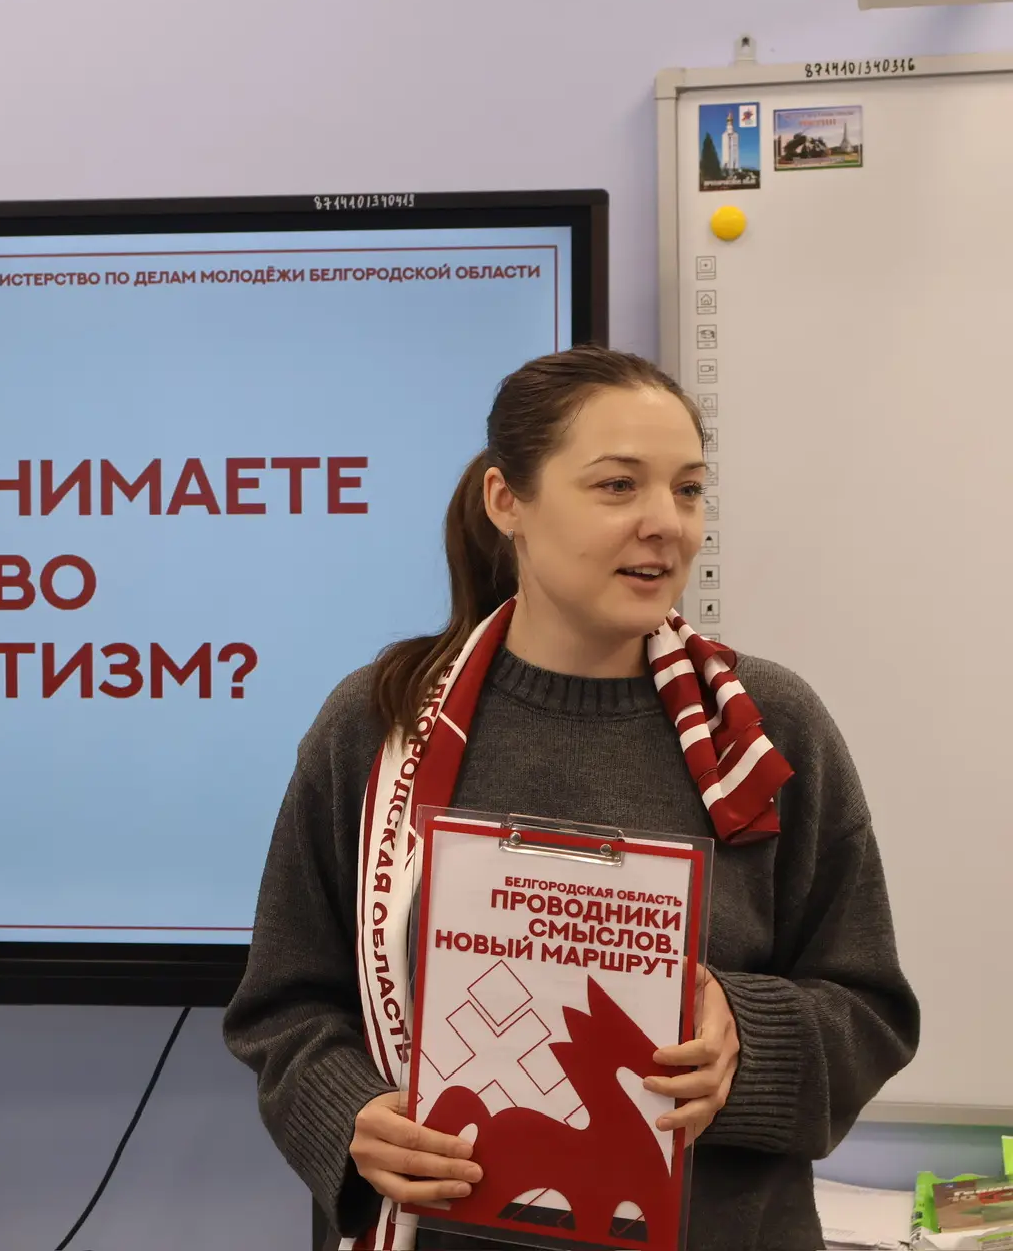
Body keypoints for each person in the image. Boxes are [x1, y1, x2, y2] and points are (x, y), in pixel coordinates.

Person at [223, 345, 918, 1251]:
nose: (666, 523)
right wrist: (348, 1116)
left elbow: (870, 1007)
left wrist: (746, 1041)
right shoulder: (383, 724)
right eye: (618, 486)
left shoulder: (760, 728)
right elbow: (283, 1005)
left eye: (688, 490)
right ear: (507, 501)